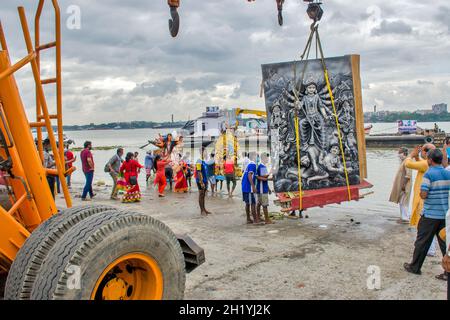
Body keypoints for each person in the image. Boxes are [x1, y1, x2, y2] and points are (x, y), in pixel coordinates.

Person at [404, 149, 450, 281]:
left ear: (430, 160)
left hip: (430, 215)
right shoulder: (448, 173)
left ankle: (415, 267)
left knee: (422, 242)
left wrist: (421, 194)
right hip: (444, 216)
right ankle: (448, 271)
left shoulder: (429, 174)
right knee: (445, 245)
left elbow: (424, 194)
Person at [389, 147, 412, 223]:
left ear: (404, 153)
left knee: (404, 201)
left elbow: (408, 176)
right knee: (401, 201)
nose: (398, 155)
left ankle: (405, 218)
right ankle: (403, 217)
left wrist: (404, 185)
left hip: (405, 186)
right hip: (402, 185)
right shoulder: (403, 161)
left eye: (400, 153)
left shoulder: (407, 161)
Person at [242, 152, 259, 224]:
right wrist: (253, 186)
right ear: (253, 156)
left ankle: (248, 219)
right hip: (249, 188)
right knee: (253, 203)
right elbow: (249, 175)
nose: (257, 157)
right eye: (256, 156)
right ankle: (255, 220)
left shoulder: (249, 164)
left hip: (245, 187)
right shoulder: (252, 164)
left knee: (248, 203)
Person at [256, 153, 273, 225]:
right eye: (267, 158)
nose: (268, 159)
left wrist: (268, 188)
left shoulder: (261, 166)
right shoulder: (262, 166)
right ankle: (267, 219)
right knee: (265, 205)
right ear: (263, 158)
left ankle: (258, 217)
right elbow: (264, 177)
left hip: (260, 188)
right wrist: (270, 173)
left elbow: (263, 178)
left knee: (259, 204)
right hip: (262, 189)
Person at [196, 147, 210, 215]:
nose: (206, 153)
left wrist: (206, 181)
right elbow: (199, 172)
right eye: (205, 152)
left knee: (203, 195)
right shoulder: (199, 161)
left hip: (205, 180)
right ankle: (202, 211)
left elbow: (205, 172)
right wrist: (201, 182)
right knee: (201, 195)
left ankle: (204, 209)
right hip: (200, 181)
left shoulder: (203, 161)